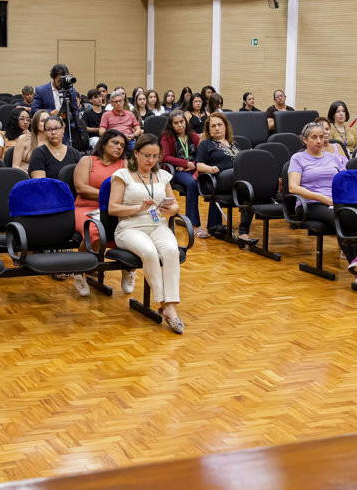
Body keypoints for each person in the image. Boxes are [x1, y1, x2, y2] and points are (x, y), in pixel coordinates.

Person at [108, 134, 185, 334]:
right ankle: (164, 303)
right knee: (150, 252)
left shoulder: (162, 175)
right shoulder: (122, 175)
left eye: (155, 156)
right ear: (136, 154)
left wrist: (172, 210)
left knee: (171, 251)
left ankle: (171, 307)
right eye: (147, 155)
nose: (151, 160)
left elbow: (174, 203)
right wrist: (137, 208)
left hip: (157, 225)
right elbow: (112, 209)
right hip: (129, 227)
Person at [287, 122, 357, 281]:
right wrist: (322, 198)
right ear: (305, 140)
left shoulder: (332, 158)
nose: (319, 141)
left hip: (334, 202)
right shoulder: (298, 158)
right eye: (314, 137)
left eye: (321, 137)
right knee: (339, 217)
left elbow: (346, 180)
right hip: (309, 203)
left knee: (352, 215)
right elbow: (293, 188)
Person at [71, 129, 131, 296]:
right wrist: (110, 194)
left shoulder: (124, 164)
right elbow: (81, 188)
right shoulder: (88, 161)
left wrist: (112, 200)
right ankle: (79, 270)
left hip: (113, 209)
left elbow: (130, 189)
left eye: (122, 145)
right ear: (104, 144)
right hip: (85, 208)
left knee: (132, 228)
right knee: (95, 229)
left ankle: (128, 267)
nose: (119, 147)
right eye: (115, 143)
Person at [196, 111, 252, 242]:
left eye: (219, 125)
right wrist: (210, 168)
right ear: (209, 129)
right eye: (213, 126)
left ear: (225, 126)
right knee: (239, 173)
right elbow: (198, 165)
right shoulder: (206, 144)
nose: (217, 128)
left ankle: (244, 233)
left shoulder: (234, 143)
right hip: (218, 179)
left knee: (249, 190)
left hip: (238, 180)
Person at [159, 109, 205, 236]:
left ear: (186, 122)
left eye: (182, 122)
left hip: (194, 168)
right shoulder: (167, 137)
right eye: (176, 123)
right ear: (171, 125)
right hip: (176, 171)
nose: (180, 125)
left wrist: (193, 165)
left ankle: (214, 224)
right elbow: (165, 157)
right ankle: (194, 225)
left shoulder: (193, 136)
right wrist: (184, 164)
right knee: (191, 183)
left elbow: (201, 154)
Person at [13, 109, 50, 173]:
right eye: (43, 121)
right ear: (35, 123)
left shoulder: (53, 141)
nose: (46, 124)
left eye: (48, 121)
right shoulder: (23, 139)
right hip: (26, 177)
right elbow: (15, 166)